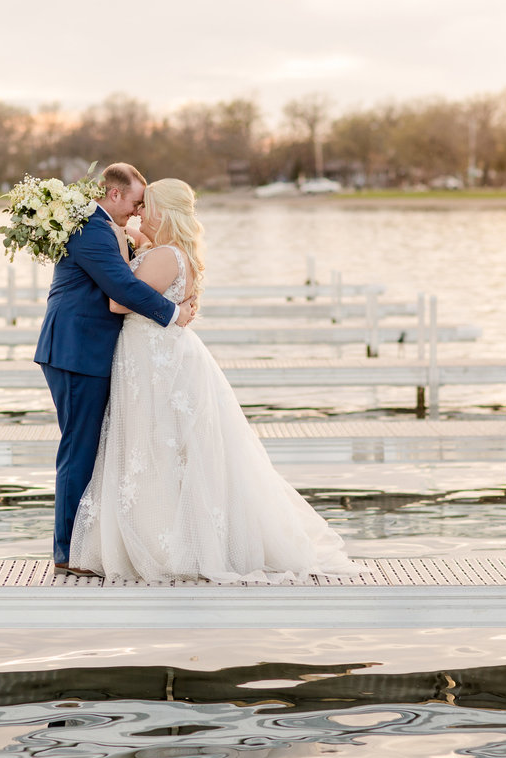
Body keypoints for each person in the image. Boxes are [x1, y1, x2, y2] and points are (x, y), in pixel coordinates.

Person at [69, 178, 362, 583]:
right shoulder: (165, 249)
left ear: (162, 213)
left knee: (156, 446)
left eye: (146, 206)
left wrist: (119, 245)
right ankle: (162, 536)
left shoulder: (165, 256)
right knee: (157, 448)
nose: (138, 213)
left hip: (154, 361)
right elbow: (137, 246)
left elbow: (120, 301)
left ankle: (166, 545)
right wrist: (121, 232)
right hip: (151, 357)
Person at [35, 163, 198, 575]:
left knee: (93, 448)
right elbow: (122, 289)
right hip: (76, 352)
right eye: (136, 203)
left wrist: (141, 243)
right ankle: (67, 553)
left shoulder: (107, 228)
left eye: (146, 206)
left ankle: (91, 545)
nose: (139, 212)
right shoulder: (92, 229)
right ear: (114, 195)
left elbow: (131, 270)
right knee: (80, 449)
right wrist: (173, 313)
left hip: (92, 351)